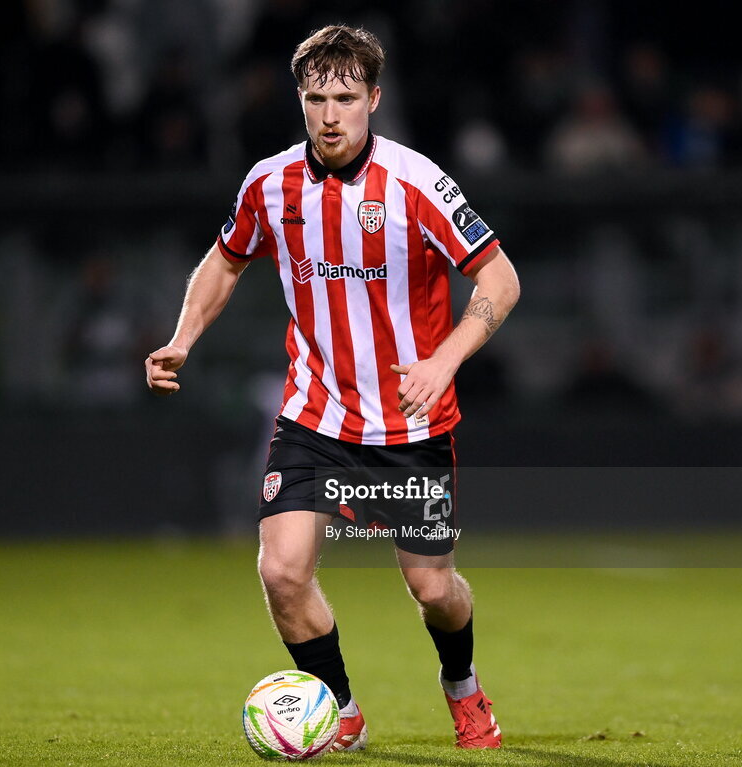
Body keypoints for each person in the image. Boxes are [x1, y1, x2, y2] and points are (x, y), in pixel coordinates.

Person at [145, 25, 519, 751]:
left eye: (346, 97)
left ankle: (463, 686)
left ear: (374, 99)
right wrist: (182, 338)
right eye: (316, 97)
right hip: (315, 416)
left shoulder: (417, 182)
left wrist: (444, 360)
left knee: (434, 590)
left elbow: (500, 278)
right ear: (300, 99)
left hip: (412, 424)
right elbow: (224, 262)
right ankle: (339, 711)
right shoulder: (269, 182)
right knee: (282, 572)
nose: (329, 114)